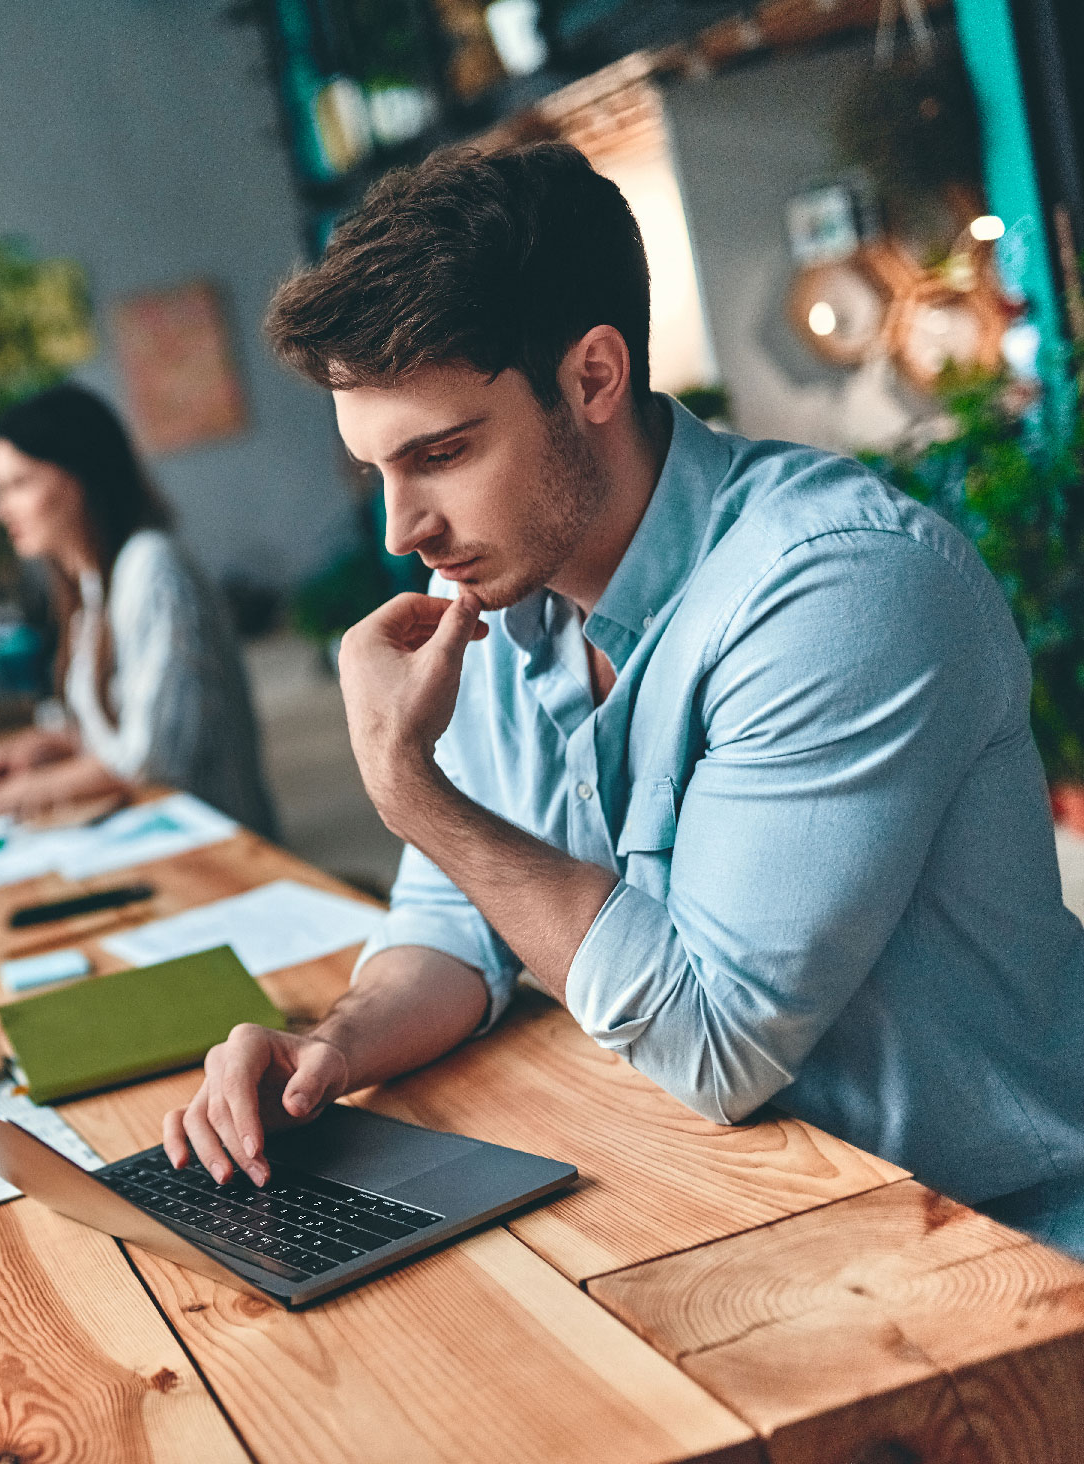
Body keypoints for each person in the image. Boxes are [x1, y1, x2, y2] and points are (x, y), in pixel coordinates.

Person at [162, 142, 1084, 1260]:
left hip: (999, 1253)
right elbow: (460, 919)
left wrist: (415, 794)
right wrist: (335, 1045)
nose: (402, 530)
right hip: (741, 1214)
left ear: (594, 376)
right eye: (378, 474)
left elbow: (712, 1042)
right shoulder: (504, 594)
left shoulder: (839, 589)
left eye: (442, 453)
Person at [0, 383, 277, 836]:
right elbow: (123, 732)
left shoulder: (151, 568)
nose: (0, 510)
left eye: (18, 484)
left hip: (214, 850)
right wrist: (55, 747)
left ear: (77, 479)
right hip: (160, 837)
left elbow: (149, 761)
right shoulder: (93, 585)